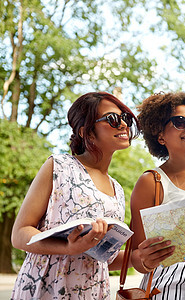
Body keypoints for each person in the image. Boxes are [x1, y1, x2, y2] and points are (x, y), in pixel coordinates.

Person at [10, 92, 139, 299]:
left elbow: (103, 258)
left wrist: (138, 257)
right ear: (86, 132)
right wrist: (68, 247)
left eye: (125, 118)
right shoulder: (58, 166)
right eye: (113, 119)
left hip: (92, 292)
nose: (123, 124)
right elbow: (19, 234)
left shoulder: (118, 190)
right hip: (46, 287)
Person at [130, 91, 185, 299]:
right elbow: (134, 256)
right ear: (160, 136)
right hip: (167, 289)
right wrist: (146, 260)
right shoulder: (151, 182)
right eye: (179, 121)